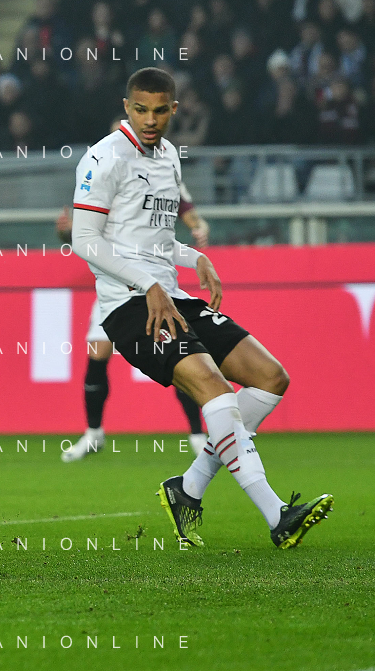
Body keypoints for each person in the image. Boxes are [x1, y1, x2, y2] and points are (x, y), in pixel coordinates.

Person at [72, 67, 332, 549]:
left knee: (271, 377)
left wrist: (195, 258)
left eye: (160, 110)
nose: (150, 120)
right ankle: (278, 514)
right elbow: (85, 241)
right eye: (140, 110)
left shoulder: (169, 155)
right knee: (215, 389)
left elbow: (153, 239)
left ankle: (188, 488)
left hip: (171, 295)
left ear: (174, 109)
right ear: (127, 107)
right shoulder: (103, 158)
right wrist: (147, 283)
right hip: (130, 306)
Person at [56, 154, 210, 462]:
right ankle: (94, 434)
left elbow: (183, 204)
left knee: (179, 357)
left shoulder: (159, 170)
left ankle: (197, 434)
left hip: (153, 282)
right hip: (113, 286)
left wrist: (197, 226)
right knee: (97, 354)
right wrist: (66, 230)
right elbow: (80, 232)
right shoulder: (102, 173)